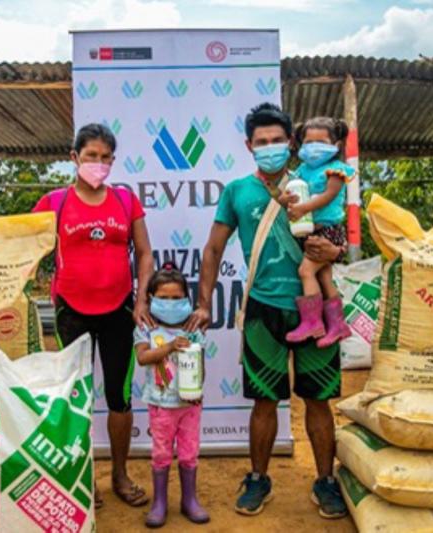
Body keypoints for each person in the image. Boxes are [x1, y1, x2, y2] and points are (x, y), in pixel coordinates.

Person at [185, 103, 347, 519]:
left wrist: (337, 251)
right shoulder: (238, 191)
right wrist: (203, 303)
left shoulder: (312, 182)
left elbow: (336, 235)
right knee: (263, 401)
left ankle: (326, 480)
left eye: (277, 141)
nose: (270, 148)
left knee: (318, 400)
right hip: (262, 309)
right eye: (262, 143)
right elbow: (213, 248)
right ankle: (258, 479)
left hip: (315, 309)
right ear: (248, 146)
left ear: (291, 143)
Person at [32, 123, 155, 509]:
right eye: (90, 156)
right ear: (74, 158)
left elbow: (145, 253)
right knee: (75, 399)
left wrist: (141, 302)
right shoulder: (53, 202)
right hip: (71, 311)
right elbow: (17, 243)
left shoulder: (125, 200)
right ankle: (82, 477)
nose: (98, 164)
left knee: (119, 398)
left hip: (119, 309)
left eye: (105, 158)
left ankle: (120, 475)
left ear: (113, 161)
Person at [134, 263, 209, 528]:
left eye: (177, 298)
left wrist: (197, 389)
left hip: (190, 405)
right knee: (161, 454)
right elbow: (143, 357)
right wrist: (168, 347)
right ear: (151, 299)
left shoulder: (193, 329)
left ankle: (189, 500)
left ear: (187, 300)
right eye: (163, 298)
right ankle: (159, 503)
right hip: (161, 405)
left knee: (189, 453)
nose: (170, 303)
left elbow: (201, 363)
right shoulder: (147, 329)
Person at [284, 117, 354, 346]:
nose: (314, 147)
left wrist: (303, 208)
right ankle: (337, 326)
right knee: (323, 276)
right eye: (308, 141)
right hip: (313, 231)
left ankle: (313, 322)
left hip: (329, 230)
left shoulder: (336, 170)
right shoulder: (302, 171)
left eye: (321, 141)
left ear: (336, 145)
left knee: (306, 271)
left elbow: (329, 196)